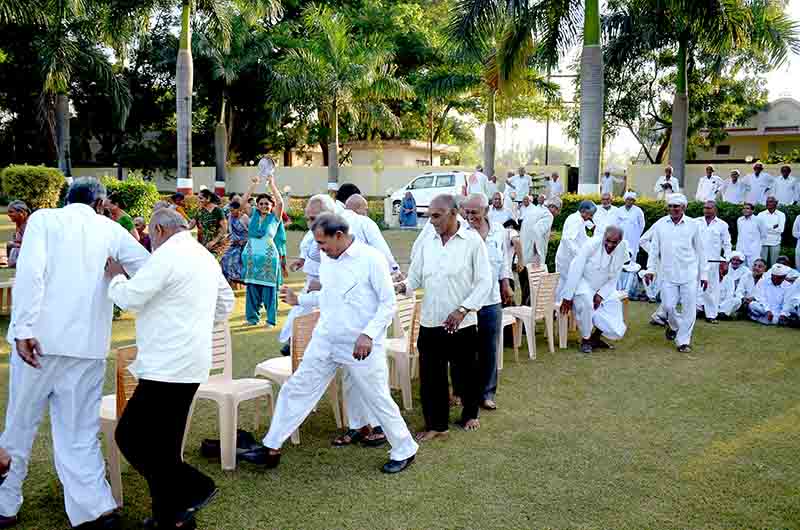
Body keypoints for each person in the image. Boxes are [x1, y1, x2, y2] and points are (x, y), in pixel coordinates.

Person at [0, 178, 150, 529]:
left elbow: (31, 272)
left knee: (19, 426)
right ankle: (95, 511)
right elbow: (147, 268)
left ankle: (5, 506)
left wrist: (23, 329)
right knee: (79, 433)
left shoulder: (43, 220)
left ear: (66, 199)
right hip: (87, 347)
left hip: (38, 343)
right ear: (100, 204)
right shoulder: (110, 230)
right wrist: (118, 280)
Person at [243, 213, 419, 474]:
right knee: (297, 388)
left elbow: (387, 303)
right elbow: (329, 296)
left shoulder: (371, 259)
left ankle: (405, 449)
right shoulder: (328, 257)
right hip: (326, 339)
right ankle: (271, 447)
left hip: (361, 345)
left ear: (339, 235)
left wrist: (368, 335)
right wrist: (299, 300)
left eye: (322, 243)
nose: (319, 249)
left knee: (377, 397)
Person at [108, 208, 235, 530]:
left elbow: (131, 298)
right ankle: (171, 516)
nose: (151, 241)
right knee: (163, 446)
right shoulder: (203, 255)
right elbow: (225, 302)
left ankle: (196, 487)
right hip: (192, 361)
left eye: (151, 234)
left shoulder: (167, 255)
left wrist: (116, 275)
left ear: (161, 230)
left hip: (166, 366)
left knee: (131, 437)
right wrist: (193, 322)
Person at [397, 194, 492, 441]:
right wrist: (402, 286)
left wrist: (462, 310)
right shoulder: (427, 242)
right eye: (429, 216)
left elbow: (484, 282)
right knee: (431, 377)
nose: (431, 222)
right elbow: (415, 278)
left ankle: (470, 414)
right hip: (431, 322)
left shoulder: (472, 242)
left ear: (453, 213)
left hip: (463, 324)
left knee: (467, 372)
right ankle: (437, 425)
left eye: (436, 216)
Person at [462, 194, 514, 411]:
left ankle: (487, 393)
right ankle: (461, 391)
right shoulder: (461, 232)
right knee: (464, 349)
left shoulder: (499, 230)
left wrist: (506, 283)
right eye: (467, 212)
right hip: (465, 299)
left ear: (485, 211)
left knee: (489, 348)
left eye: (474, 212)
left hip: (491, 299)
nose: (470, 216)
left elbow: (503, 260)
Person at [645, 194, 707, 353]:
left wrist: (704, 275)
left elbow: (701, 251)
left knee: (689, 309)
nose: (673, 209)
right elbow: (654, 249)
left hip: (689, 274)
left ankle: (683, 341)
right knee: (668, 306)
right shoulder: (661, 224)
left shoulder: (693, 225)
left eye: (676, 206)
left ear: (684, 208)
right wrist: (651, 269)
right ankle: (674, 326)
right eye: (670, 206)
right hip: (668, 274)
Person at [560, 226, 629, 354]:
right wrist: (567, 297)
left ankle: (596, 337)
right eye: (607, 240)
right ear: (604, 237)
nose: (610, 245)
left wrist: (601, 295)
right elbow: (576, 268)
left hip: (604, 286)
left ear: (620, 241)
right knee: (586, 301)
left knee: (614, 303)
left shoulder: (622, 248)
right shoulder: (592, 244)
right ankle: (586, 339)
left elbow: (615, 276)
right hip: (584, 282)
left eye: (614, 242)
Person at [278, 195, 329, 357]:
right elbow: (307, 250)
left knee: (312, 316)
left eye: (313, 218)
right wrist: (300, 261)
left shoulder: (338, 238)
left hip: (325, 287)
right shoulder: (311, 233)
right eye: (307, 218)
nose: (310, 223)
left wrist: (324, 283)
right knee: (301, 313)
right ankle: (294, 342)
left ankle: (298, 343)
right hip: (312, 282)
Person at [241, 175, 287, 327]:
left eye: (267, 204)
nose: (264, 206)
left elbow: (280, 202)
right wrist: (253, 185)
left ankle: (270, 320)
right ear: (257, 205)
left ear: (271, 205)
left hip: (268, 259)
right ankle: (252, 318)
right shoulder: (253, 214)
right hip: (251, 258)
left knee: (269, 288)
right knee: (252, 287)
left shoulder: (275, 218)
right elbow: (243, 202)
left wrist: (272, 184)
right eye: (261, 204)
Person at [695, 201, 732, 323]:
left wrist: (726, 261)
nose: (706, 210)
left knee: (711, 289)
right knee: (693, 287)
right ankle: (694, 310)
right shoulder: (696, 222)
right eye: (705, 208)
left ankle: (711, 315)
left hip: (713, 261)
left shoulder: (722, 225)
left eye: (709, 208)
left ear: (715, 209)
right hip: (696, 260)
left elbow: (727, 244)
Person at [518, 198, 559, 305]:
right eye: (558, 211)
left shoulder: (534, 210)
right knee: (530, 293)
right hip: (532, 259)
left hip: (522, 257)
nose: (557, 214)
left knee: (525, 292)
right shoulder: (548, 215)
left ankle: (523, 319)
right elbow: (536, 231)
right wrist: (537, 255)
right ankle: (527, 320)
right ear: (554, 208)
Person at [555, 200, 596, 300]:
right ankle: (558, 309)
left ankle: (556, 308)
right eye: (590, 214)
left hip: (567, 258)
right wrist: (579, 254)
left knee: (563, 284)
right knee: (566, 284)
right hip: (566, 259)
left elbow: (582, 238)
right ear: (583, 211)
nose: (591, 217)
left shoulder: (578, 219)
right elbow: (567, 239)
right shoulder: (576, 220)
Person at [194, 189, 229, 260]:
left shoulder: (218, 210)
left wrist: (214, 241)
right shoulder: (200, 210)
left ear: (208, 198)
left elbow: (224, 229)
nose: (199, 200)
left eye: (201, 198)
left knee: (213, 263)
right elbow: (191, 223)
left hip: (217, 244)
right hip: (203, 243)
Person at [220, 201, 249, 284]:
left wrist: (244, 241)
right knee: (224, 258)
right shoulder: (230, 217)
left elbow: (251, 232)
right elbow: (230, 231)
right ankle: (228, 279)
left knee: (236, 261)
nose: (231, 212)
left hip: (244, 244)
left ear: (238, 210)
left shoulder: (244, 218)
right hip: (233, 243)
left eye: (232, 210)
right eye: (230, 210)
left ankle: (238, 280)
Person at [718, 252, 752, 318]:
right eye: (733, 260)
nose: (735, 262)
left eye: (737, 260)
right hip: (719, 298)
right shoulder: (725, 269)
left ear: (741, 262)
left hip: (732, 298)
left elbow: (731, 296)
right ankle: (722, 313)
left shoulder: (746, 271)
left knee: (737, 301)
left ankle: (719, 312)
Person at [614, 191, 646, 259]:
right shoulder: (619, 210)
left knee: (633, 255)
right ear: (625, 200)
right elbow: (616, 224)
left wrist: (637, 234)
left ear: (634, 201)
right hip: (621, 236)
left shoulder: (638, 211)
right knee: (621, 254)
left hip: (633, 237)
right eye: (628, 199)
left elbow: (642, 224)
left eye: (631, 200)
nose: (629, 201)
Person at [757, 196, 785, 267]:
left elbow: (781, 230)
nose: (768, 203)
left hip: (775, 242)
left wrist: (766, 227)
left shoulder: (781, 215)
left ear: (776, 203)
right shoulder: (761, 214)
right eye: (767, 202)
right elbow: (758, 229)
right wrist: (773, 226)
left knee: (774, 264)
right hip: (763, 242)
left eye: (770, 201)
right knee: (762, 264)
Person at [736, 203, 765, 268]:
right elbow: (740, 234)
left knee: (753, 269)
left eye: (747, 208)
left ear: (752, 210)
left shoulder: (758, 220)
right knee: (741, 269)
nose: (745, 210)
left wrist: (757, 246)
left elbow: (764, 234)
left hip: (754, 251)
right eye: (744, 208)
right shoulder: (739, 220)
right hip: (741, 250)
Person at [5, 201, 29, 268]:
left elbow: (30, 244)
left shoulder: (28, 224)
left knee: (12, 246)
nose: (8, 214)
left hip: (28, 252)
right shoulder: (19, 222)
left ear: (21, 212)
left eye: (11, 212)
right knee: (10, 244)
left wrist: (15, 244)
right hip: (20, 250)